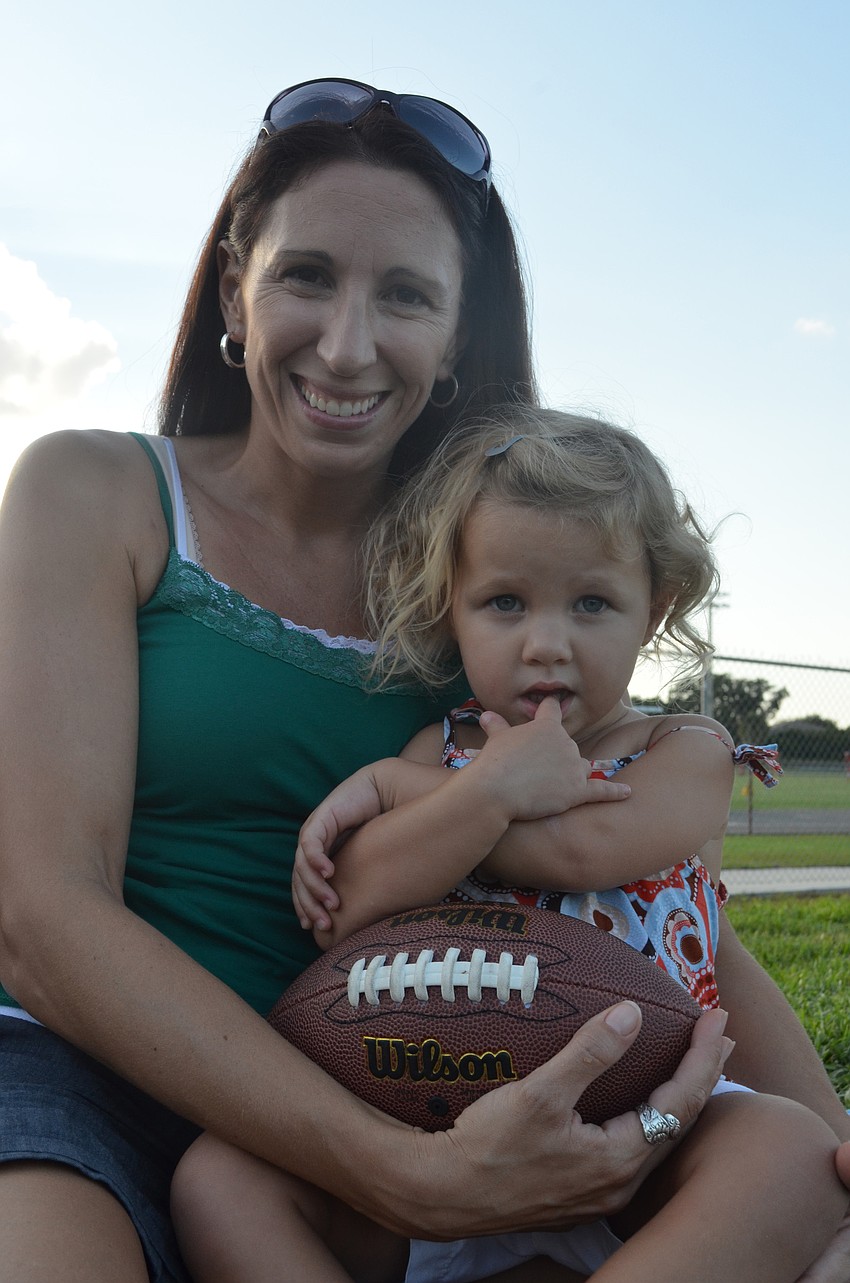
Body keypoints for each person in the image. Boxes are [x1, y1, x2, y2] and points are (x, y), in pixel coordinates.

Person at [0, 80, 737, 1283]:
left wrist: (830, 1149)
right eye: (307, 275)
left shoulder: (491, 589)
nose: (347, 343)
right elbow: (42, 918)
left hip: (406, 1064)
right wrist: (384, 1167)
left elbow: (635, 869)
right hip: (88, 1073)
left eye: (404, 295)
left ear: (455, 337)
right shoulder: (97, 492)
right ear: (237, 279)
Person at [172, 410, 850, 1282]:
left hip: (655, 1137)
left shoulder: (689, 751)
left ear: (658, 609)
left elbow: (583, 849)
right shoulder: (443, 746)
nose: (546, 643)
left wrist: (426, 795)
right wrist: (473, 782)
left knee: (786, 1154)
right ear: (450, 607)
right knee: (219, 1179)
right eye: (504, 602)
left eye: (593, 603)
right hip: (440, 1133)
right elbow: (353, 900)